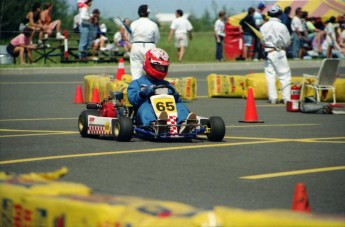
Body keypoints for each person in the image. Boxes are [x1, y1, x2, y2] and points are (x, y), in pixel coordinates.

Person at [128, 48, 196, 133]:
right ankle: (154, 125)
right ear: (150, 64)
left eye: (164, 67)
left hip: (168, 114)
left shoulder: (167, 84)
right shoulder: (137, 83)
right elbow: (132, 99)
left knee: (180, 106)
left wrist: (175, 95)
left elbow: (178, 100)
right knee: (145, 107)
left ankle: (183, 124)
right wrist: (142, 94)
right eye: (158, 66)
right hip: (145, 114)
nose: (162, 69)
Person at [260, 5, 291, 104]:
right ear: (279, 14)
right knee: (284, 75)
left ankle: (273, 98)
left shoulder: (263, 26)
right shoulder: (282, 26)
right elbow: (287, 42)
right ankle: (286, 98)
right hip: (279, 52)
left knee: (270, 75)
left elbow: (262, 41)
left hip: (268, 52)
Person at [129, 5, 160, 80]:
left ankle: (136, 88)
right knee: (151, 71)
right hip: (150, 47)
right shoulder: (153, 24)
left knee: (135, 71)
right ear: (148, 13)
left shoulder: (133, 24)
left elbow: (129, 38)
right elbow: (157, 38)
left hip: (136, 46)